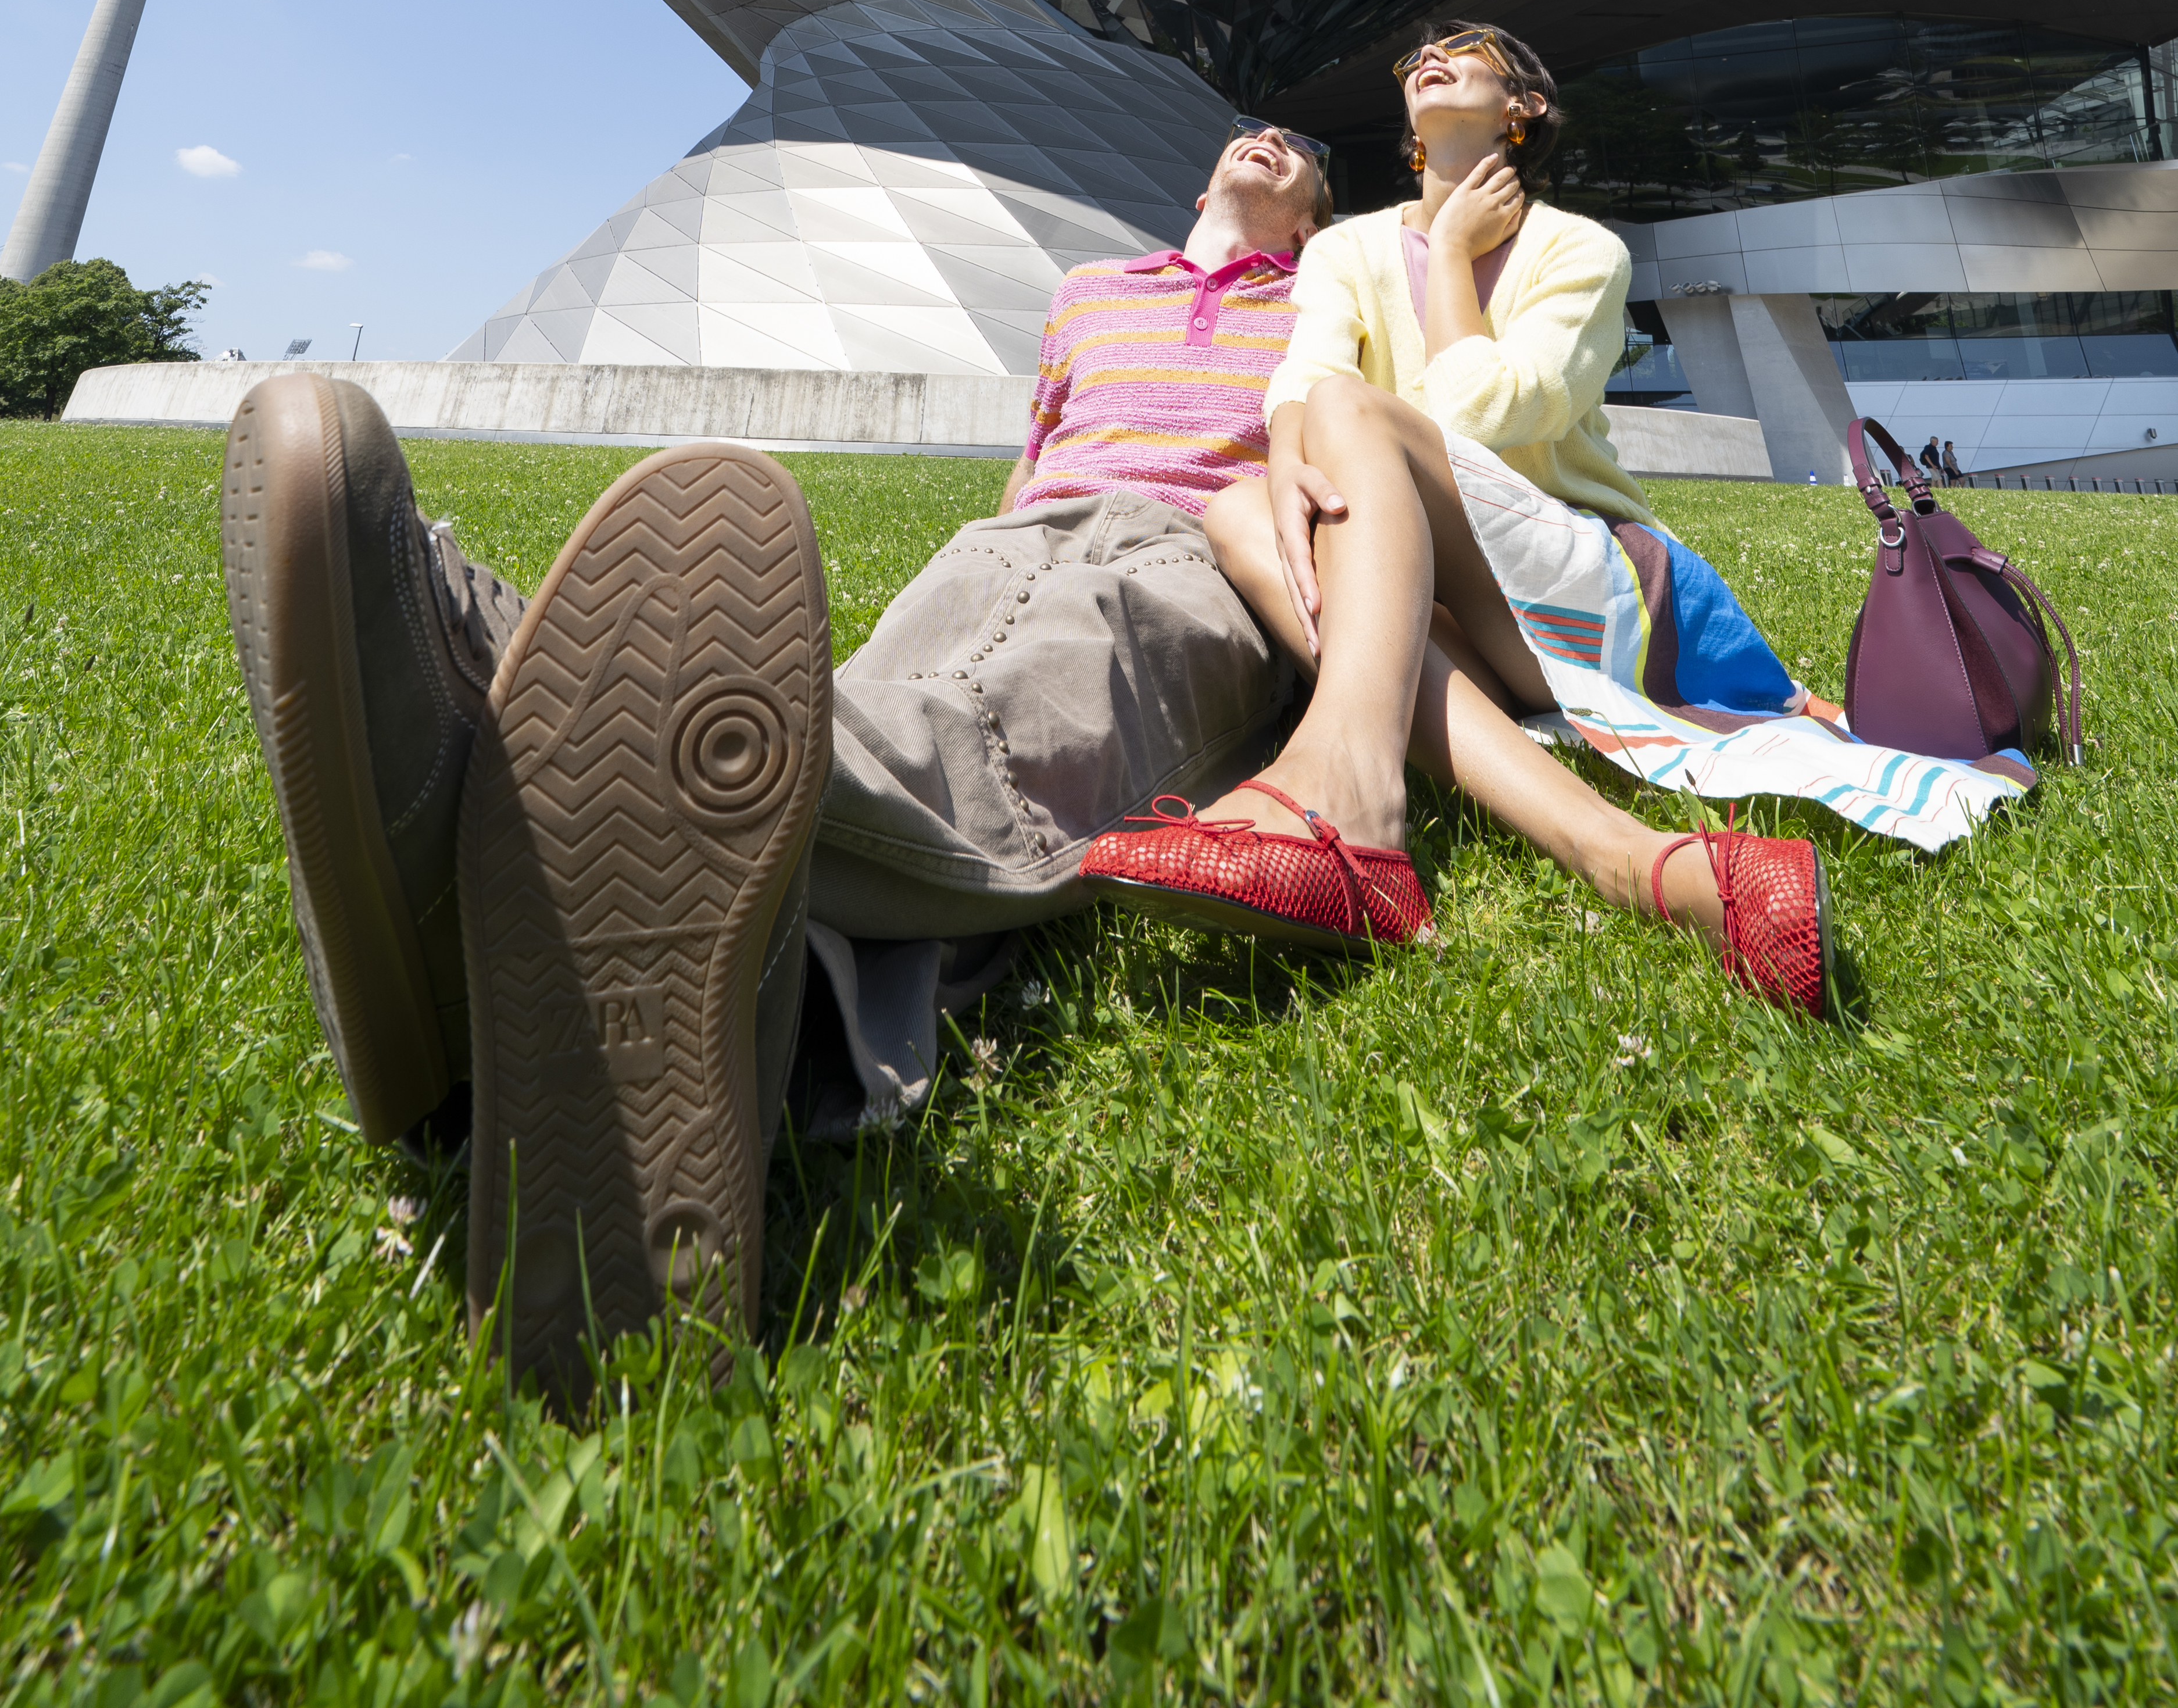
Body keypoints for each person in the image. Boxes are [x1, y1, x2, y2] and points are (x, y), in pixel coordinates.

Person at [222, 113, 1385, 1398]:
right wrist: (1000, 538)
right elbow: (1038, 446)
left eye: (1298, 145)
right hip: (1012, 539)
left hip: (1197, 553)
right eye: (1249, 129)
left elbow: (1385, 482)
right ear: (1205, 173)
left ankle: (489, 770)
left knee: (998, 724)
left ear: (1317, 214)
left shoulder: (1336, 301)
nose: (1266, 137)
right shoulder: (1090, 292)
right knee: (884, 698)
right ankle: (718, 997)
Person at [1141, 18, 1838, 1018]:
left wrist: (1453, 255)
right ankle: (1631, 860)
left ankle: (1342, 784)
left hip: (1590, 589)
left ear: (1524, 106)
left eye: (1466, 44)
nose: (1431, 52)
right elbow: (1304, 370)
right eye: (1417, 52)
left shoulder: (1581, 250)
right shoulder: (1345, 246)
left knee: (1346, 410)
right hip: (1457, 604)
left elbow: (1486, 413)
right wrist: (1288, 464)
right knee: (1240, 509)